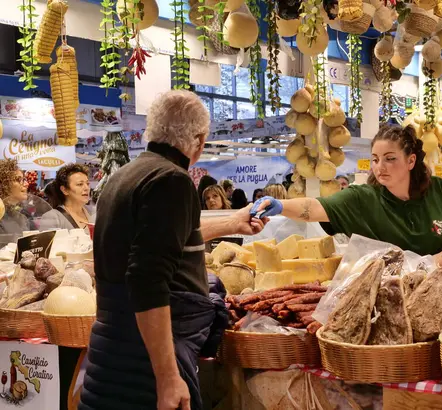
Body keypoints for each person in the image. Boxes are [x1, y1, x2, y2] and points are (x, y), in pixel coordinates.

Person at [79, 90, 268, 410]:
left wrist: (232, 224)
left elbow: (160, 242)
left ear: (152, 130)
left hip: (113, 351)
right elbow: (147, 280)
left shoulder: (123, 178)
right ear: (200, 138)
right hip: (146, 368)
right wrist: (167, 376)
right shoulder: (172, 180)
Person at [251, 124, 442, 266]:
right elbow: (314, 208)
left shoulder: (440, 191)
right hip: (382, 296)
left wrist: (427, 264)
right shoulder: (361, 198)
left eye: (390, 158)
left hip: (436, 290)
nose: (380, 166)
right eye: (375, 159)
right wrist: (279, 205)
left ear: (411, 161)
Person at [40, 163, 94, 232]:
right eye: (80, 184)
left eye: (87, 183)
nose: (86, 188)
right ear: (64, 190)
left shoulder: (94, 213)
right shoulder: (52, 217)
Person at [0, 159, 34, 235]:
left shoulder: (22, 218)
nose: (26, 184)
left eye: (24, 179)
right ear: (3, 184)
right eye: (19, 180)